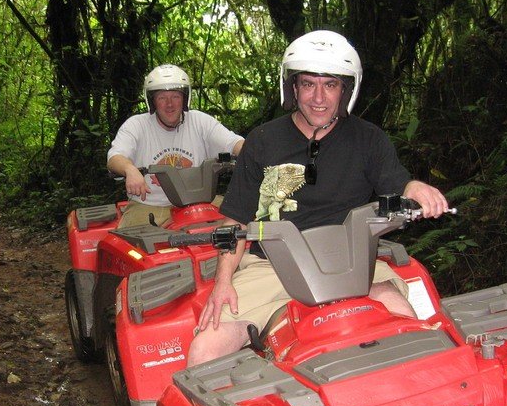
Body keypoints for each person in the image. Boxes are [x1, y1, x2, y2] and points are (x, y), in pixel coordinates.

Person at [187, 30, 451, 366]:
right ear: (293, 88)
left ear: (345, 90)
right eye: (308, 84)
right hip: (272, 267)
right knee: (204, 350)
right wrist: (223, 281)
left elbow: (398, 183)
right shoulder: (264, 140)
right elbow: (237, 219)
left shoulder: (368, 139)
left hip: (351, 265)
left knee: (408, 326)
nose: (319, 97)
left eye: (330, 84)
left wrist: (416, 189)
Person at [107, 64, 244, 228]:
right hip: (150, 204)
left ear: (185, 99)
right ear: (152, 101)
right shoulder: (136, 125)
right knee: (133, 246)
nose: (169, 104)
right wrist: (130, 170)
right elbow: (115, 158)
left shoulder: (200, 121)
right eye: (162, 98)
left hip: (201, 202)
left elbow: (234, 143)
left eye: (175, 97)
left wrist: (257, 156)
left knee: (245, 219)